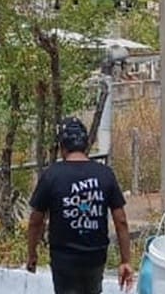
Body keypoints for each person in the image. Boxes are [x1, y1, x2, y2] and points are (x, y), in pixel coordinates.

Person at [26, 117, 133, 294]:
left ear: (62, 147)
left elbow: (35, 221)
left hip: (63, 258)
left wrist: (32, 254)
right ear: (86, 144)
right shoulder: (105, 174)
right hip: (95, 256)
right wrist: (125, 260)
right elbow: (121, 221)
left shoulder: (52, 175)